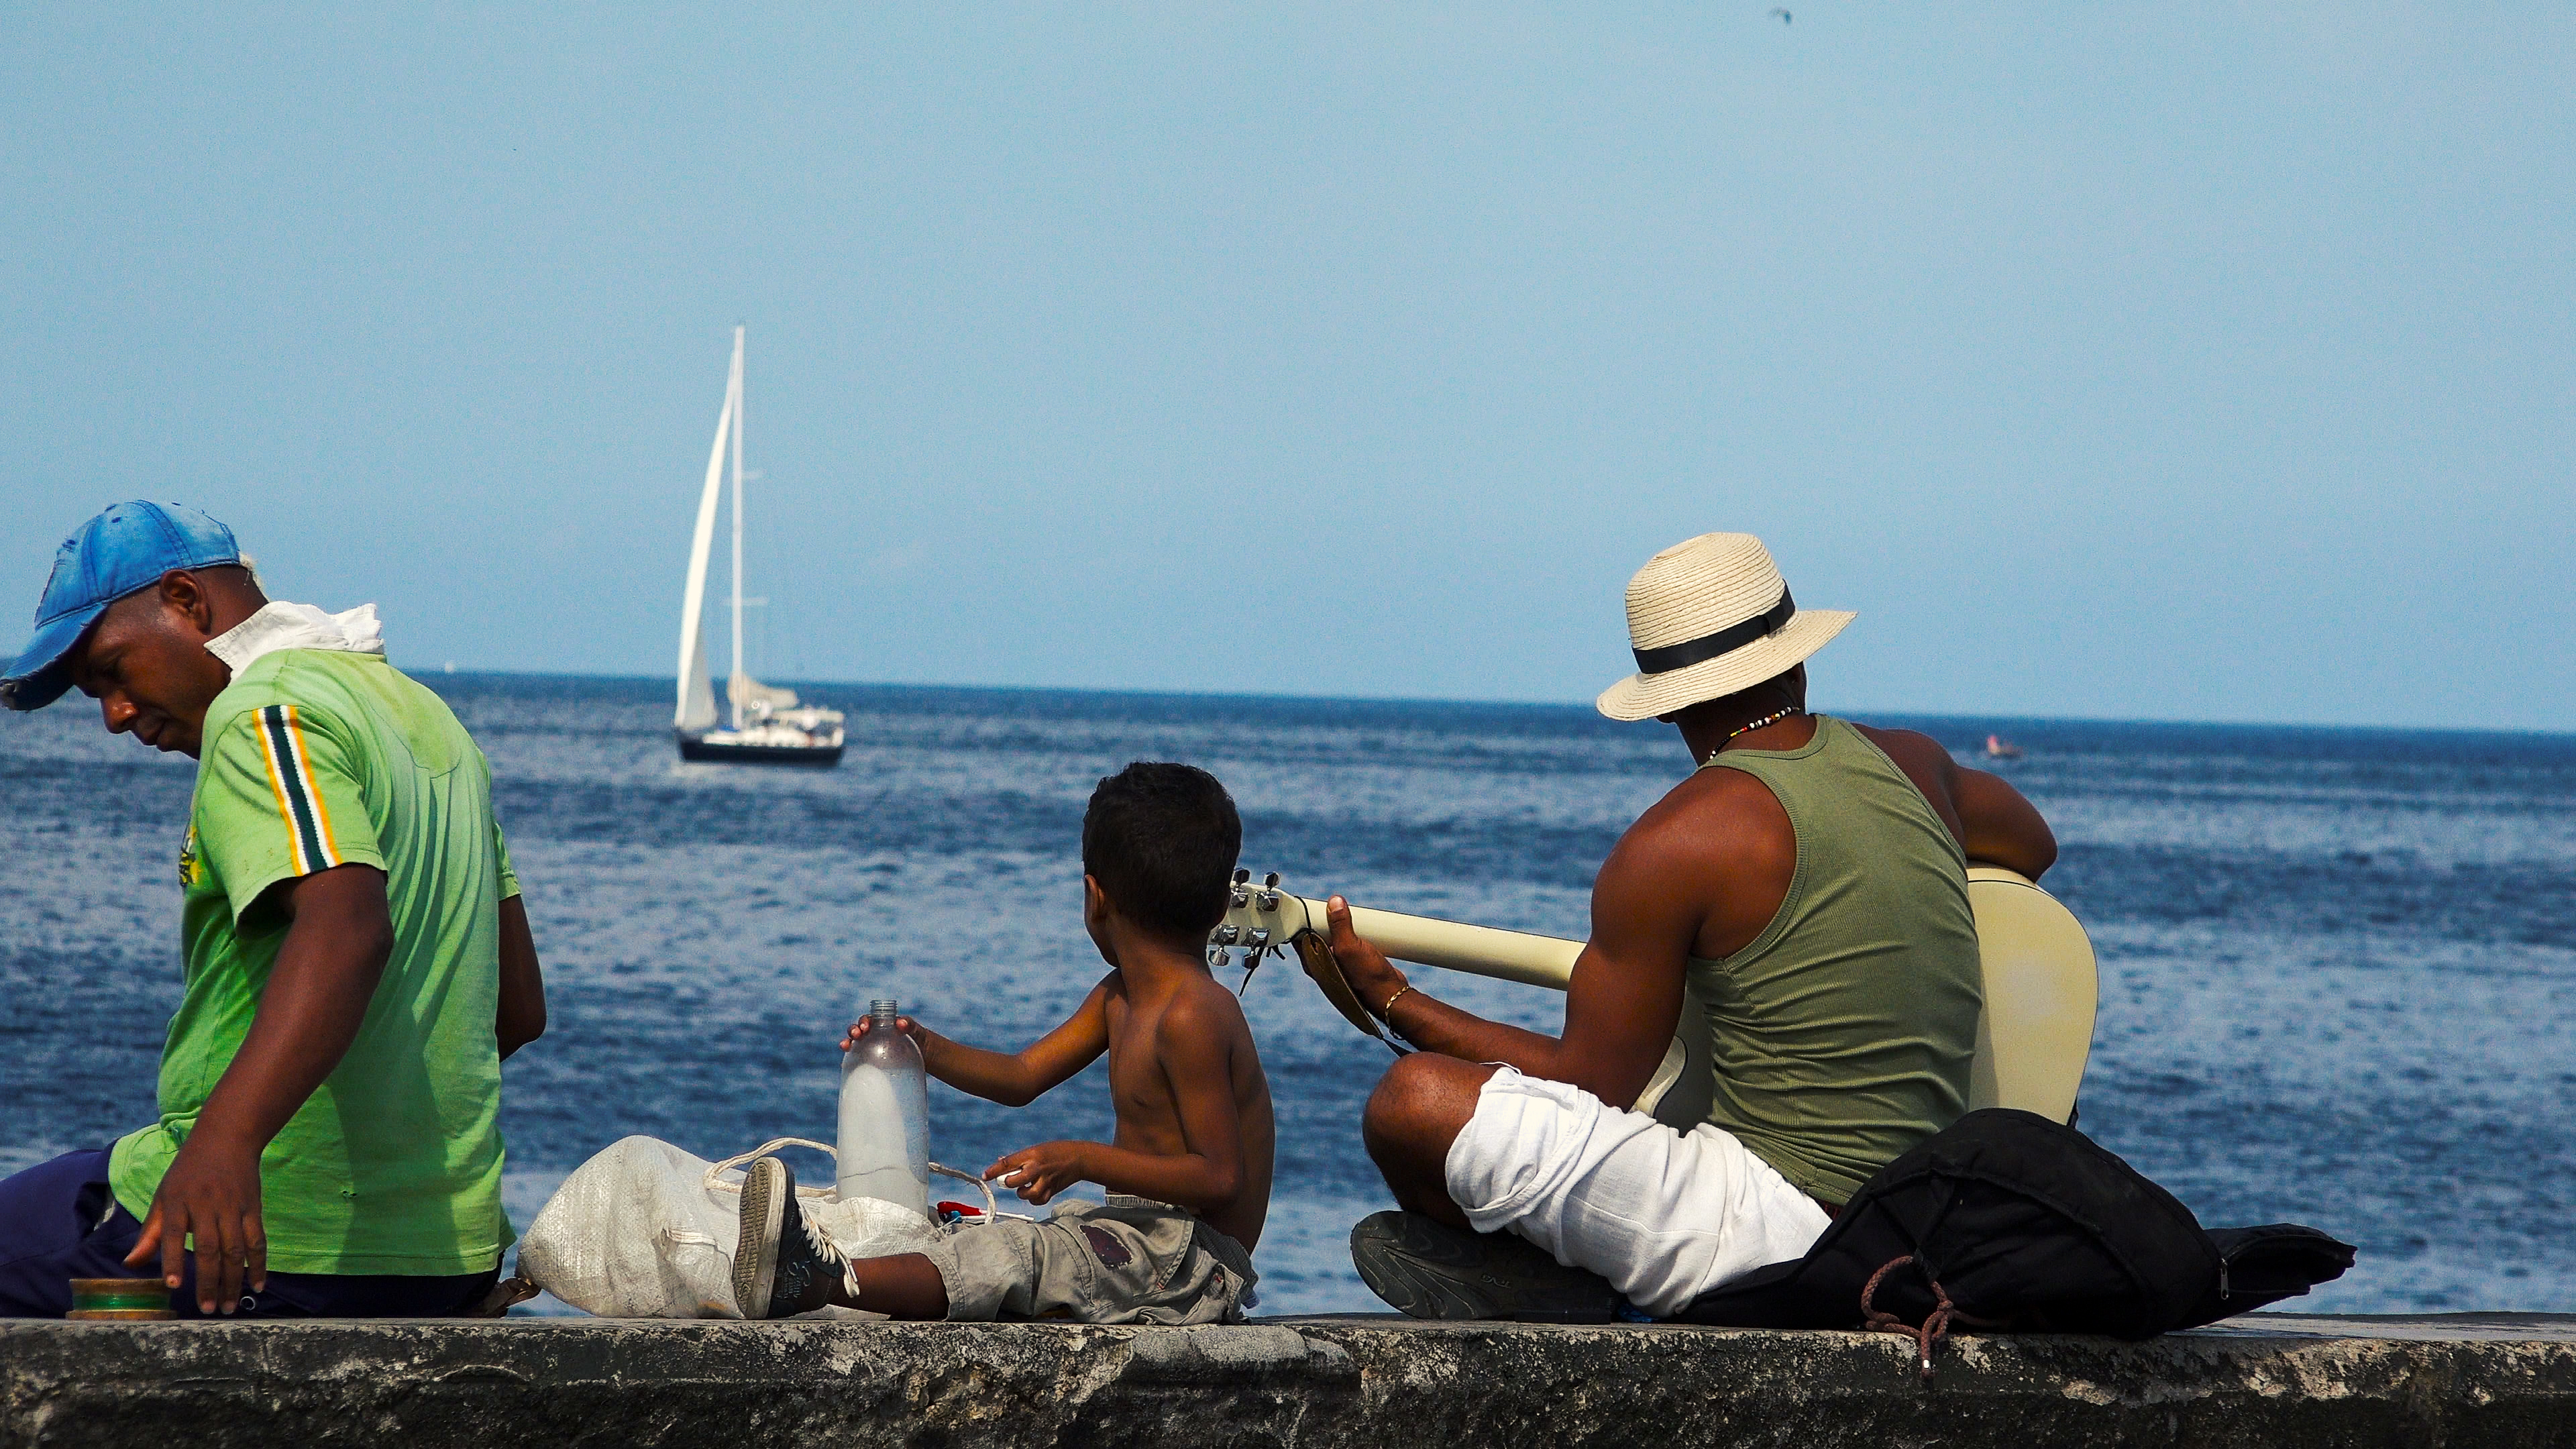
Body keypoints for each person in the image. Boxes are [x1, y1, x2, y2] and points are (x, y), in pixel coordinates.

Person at [1327, 531, 2059, 1322]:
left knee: (1414, 1104)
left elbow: (1593, 1086)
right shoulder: (1920, 766)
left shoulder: (1675, 843)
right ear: (1796, 655)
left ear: (1668, 703)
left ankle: (1544, 1282)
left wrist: (1394, 1000)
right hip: (1931, 1220)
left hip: (1790, 1232)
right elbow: (2034, 845)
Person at [0, 501, 544, 1319]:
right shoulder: (430, 721)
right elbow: (515, 1011)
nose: (114, 716)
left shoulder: (263, 711)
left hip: (265, 1241)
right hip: (447, 1256)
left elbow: (350, 928)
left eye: (113, 671)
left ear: (187, 601)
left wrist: (227, 1143)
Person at [731, 761, 1272, 1324]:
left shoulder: (1194, 1014)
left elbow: (1218, 1176)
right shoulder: (1120, 997)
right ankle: (819, 1268)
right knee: (986, 1239)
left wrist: (1084, 1158)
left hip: (1194, 1263)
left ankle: (817, 1280)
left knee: (1016, 1256)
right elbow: (1021, 1077)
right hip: (1143, 1241)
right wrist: (926, 1047)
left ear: (1095, 899)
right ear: (1218, 907)